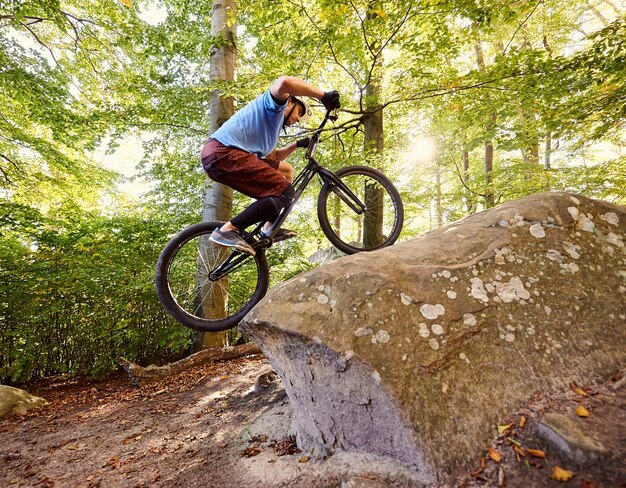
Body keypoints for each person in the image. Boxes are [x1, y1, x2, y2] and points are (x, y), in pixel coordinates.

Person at [200, 76, 340, 255]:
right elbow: (283, 83)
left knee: (286, 170)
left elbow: (273, 157)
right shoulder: (273, 106)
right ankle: (227, 230)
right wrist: (323, 96)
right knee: (286, 192)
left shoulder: (271, 130)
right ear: (289, 101)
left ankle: (268, 226)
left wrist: (295, 145)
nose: (298, 119)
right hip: (223, 152)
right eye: (299, 112)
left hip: (222, 157)